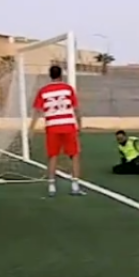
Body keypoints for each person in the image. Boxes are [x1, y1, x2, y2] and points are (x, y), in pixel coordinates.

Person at [30, 64, 84, 196]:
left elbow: (37, 111)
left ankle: (51, 187)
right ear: (61, 74)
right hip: (68, 125)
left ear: (50, 75)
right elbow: (76, 108)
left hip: (52, 127)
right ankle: (75, 186)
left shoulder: (43, 91)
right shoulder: (68, 89)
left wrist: (31, 128)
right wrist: (79, 124)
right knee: (74, 155)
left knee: (53, 156)